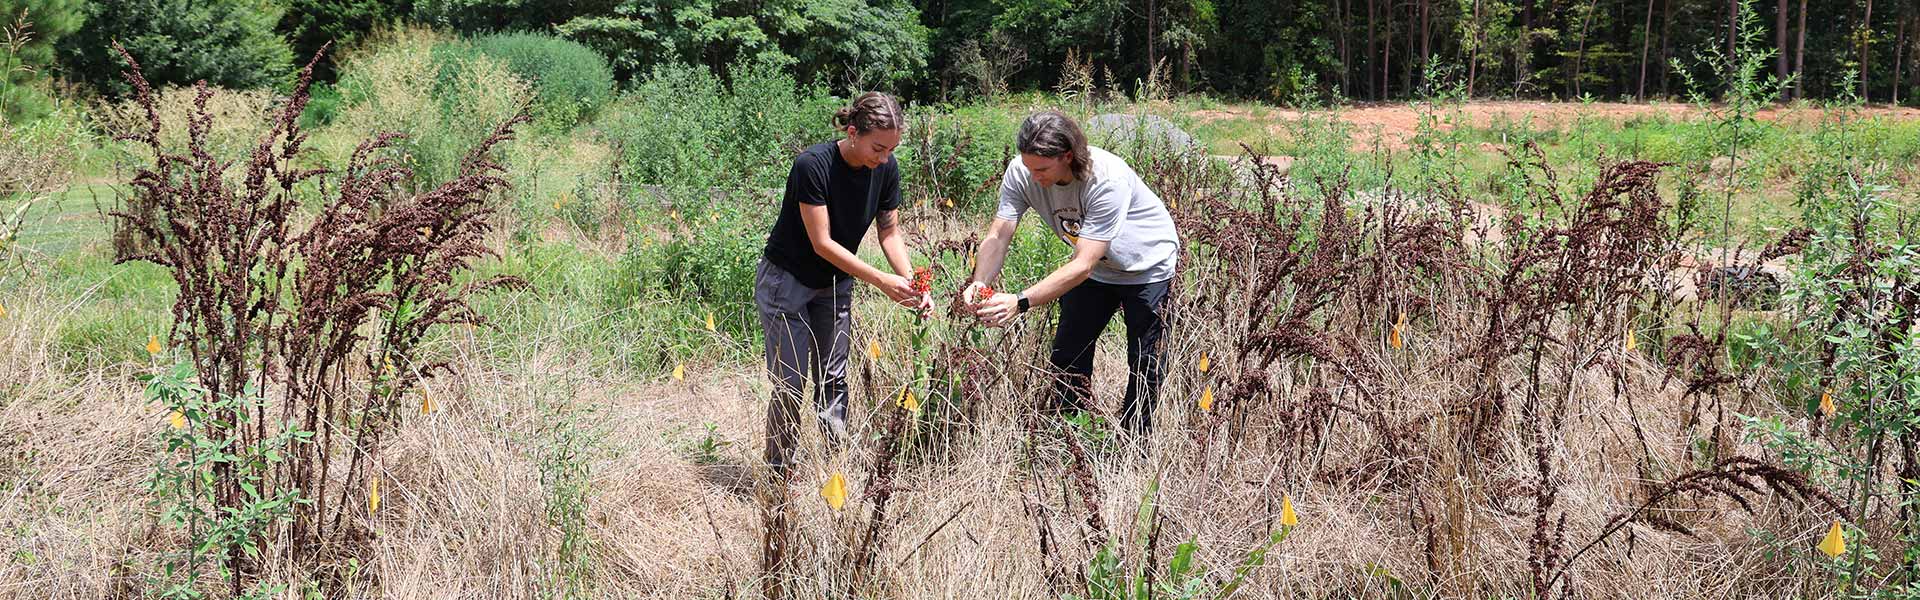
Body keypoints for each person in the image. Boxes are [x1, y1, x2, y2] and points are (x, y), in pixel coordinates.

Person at [964, 111, 1181, 437]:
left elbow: (1082, 264)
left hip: (1147, 267)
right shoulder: (1022, 171)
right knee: (1068, 353)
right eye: (1028, 166)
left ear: (1067, 156)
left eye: (1042, 169)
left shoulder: (1106, 178)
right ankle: (1074, 437)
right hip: (1096, 271)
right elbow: (999, 234)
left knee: (1145, 362)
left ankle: (1134, 447)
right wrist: (980, 282)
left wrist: (1020, 302)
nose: (1033, 176)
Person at [757, 92, 930, 476]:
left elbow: (889, 231)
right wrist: (882, 281)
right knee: (791, 382)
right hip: (787, 282)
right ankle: (778, 473)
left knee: (833, 377)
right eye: (878, 148)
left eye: (891, 149)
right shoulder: (812, 166)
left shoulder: (886, 168)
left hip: (834, 285)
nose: (883, 158)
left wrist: (912, 280)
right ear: (853, 132)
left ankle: (836, 467)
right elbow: (823, 243)